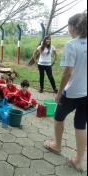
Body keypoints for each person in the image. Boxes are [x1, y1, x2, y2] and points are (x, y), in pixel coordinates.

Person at [44, 13, 87, 172]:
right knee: (81, 125)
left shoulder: (72, 45)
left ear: (75, 27)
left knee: (58, 117)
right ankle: (79, 161)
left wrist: (59, 93)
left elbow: (67, 73)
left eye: (69, 26)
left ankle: (57, 145)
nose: (68, 29)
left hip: (73, 92)